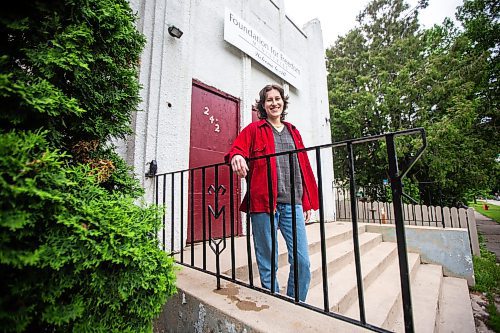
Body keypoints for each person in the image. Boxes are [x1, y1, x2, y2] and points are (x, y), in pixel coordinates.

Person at [225, 84, 319, 302]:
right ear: (263, 105)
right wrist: (237, 157)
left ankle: (296, 302)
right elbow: (237, 149)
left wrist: (306, 203)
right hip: (263, 204)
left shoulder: (293, 131)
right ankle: (274, 301)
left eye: (278, 99)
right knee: (268, 261)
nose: (274, 103)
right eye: (269, 100)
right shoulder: (254, 130)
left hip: (292, 203)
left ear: (283, 103)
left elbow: (302, 168)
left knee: (302, 260)